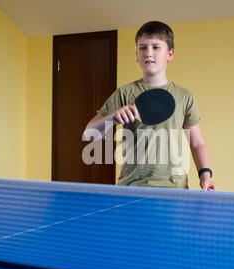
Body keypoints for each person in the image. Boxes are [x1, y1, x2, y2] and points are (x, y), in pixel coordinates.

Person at [83, 21, 215, 190]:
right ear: (136, 55)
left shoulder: (185, 96)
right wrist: (112, 117)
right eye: (143, 48)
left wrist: (205, 174)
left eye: (156, 47)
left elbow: (197, 143)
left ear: (170, 54)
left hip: (175, 189)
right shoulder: (124, 93)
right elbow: (89, 134)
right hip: (132, 187)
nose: (148, 53)